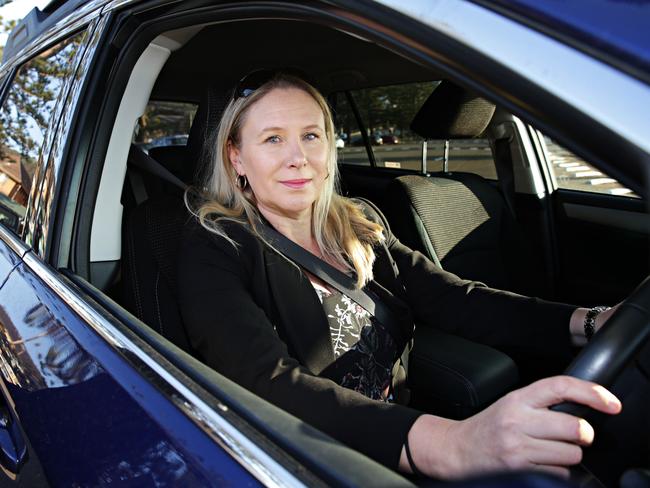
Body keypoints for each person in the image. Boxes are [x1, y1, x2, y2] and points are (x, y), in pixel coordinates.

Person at [177, 71, 621, 480]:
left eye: (311, 135)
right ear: (236, 158)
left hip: (405, 432)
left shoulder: (359, 224)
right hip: (318, 461)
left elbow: (455, 299)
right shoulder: (215, 246)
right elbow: (267, 384)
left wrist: (587, 322)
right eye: (273, 139)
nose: (299, 158)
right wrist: (451, 444)